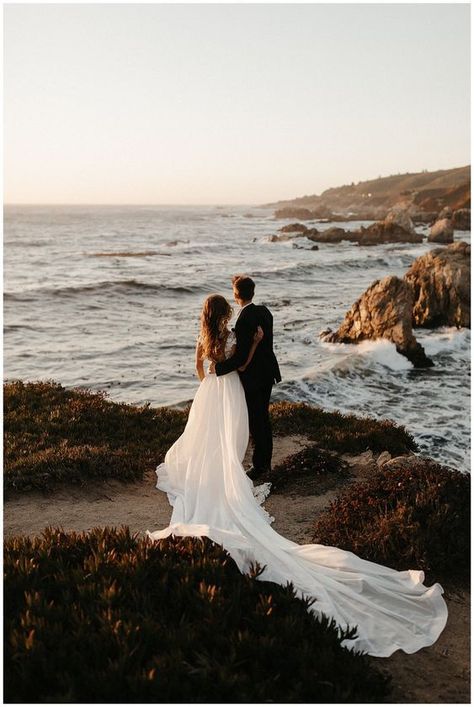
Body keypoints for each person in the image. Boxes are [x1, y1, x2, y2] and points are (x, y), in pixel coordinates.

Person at [147, 293, 448, 658]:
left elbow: (200, 372)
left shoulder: (204, 339)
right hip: (230, 396)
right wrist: (255, 344)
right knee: (229, 443)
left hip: (207, 395)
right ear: (223, 314)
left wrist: (209, 375)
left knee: (206, 441)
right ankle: (233, 473)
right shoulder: (231, 337)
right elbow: (240, 368)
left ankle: (212, 476)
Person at [211, 275, 281, 480]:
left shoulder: (243, 320)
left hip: (253, 377)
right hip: (268, 372)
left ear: (236, 295)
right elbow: (265, 345)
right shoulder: (265, 313)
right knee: (263, 418)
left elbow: (241, 357)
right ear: (253, 292)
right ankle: (265, 463)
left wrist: (219, 368)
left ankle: (260, 467)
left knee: (256, 421)